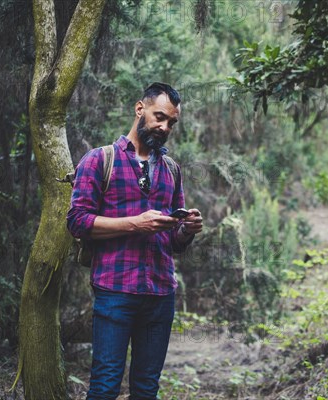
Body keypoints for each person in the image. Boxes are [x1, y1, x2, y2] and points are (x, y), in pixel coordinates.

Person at [67, 82, 203, 400]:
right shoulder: (100, 160)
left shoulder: (171, 170)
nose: (164, 126)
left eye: (171, 122)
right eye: (159, 116)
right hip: (115, 291)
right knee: (104, 386)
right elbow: (77, 222)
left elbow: (172, 241)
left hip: (160, 295)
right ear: (139, 109)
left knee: (146, 389)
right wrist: (135, 224)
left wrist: (187, 230)